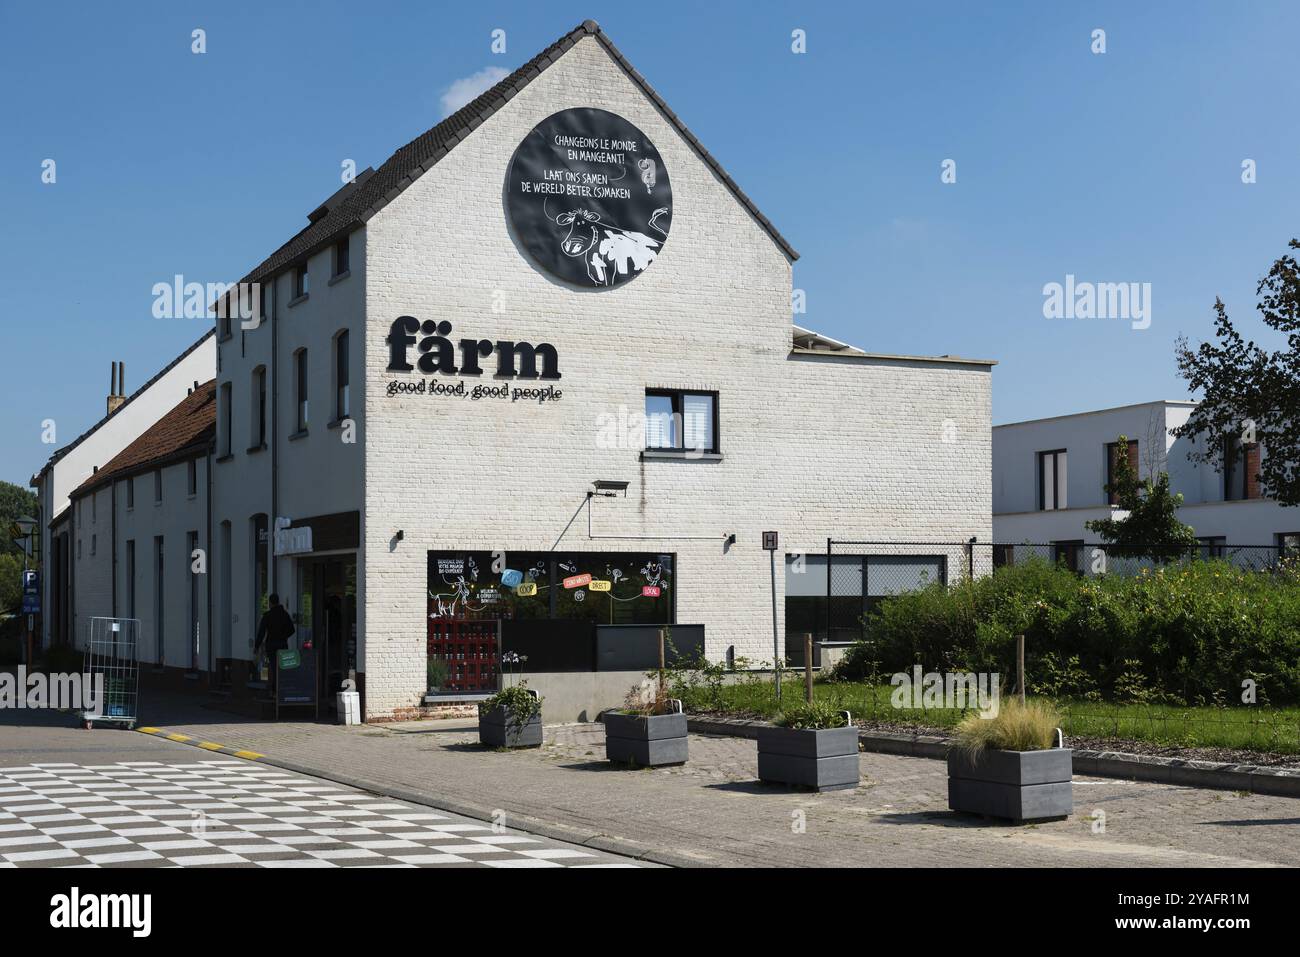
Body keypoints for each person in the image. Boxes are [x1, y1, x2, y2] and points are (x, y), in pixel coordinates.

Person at [254, 594, 296, 694]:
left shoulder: (267, 615)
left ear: (270, 603)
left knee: (272, 666)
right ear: (278, 601)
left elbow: (261, 632)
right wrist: (284, 636)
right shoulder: (285, 614)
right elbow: (292, 630)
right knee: (282, 666)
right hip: (282, 644)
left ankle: (273, 689)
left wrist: (256, 646)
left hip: (271, 645)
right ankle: (282, 689)